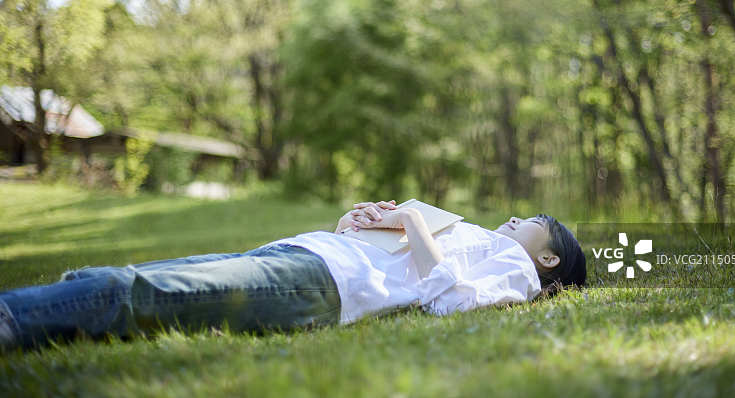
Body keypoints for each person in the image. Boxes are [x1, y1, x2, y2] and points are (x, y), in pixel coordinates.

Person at [0, 200, 585, 351]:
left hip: (321, 284)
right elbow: (403, 261)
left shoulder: (514, 266)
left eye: (533, 221)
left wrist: (409, 219)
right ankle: (43, 309)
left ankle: (13, 317)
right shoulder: (480, 239)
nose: (516, 218)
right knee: (131, 277)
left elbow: (452, 303)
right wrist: (360, 225)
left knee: (140, 292)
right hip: (313, 256)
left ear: (549, 257)